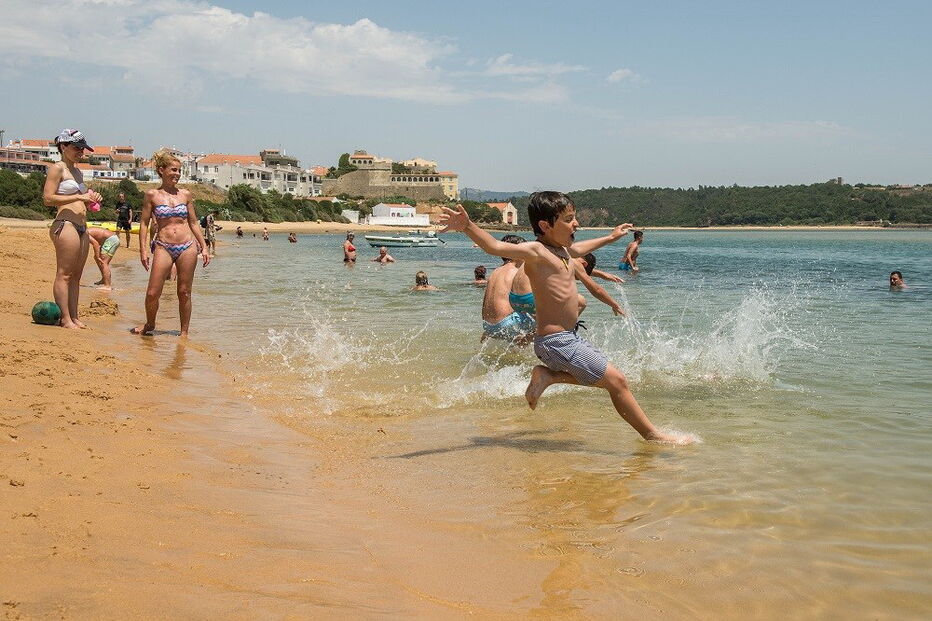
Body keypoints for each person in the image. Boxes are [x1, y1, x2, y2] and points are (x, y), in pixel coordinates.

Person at [441, 193, 691, 445]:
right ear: (545, 226)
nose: (576, 224)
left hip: (567, 338)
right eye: (569, 219)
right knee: (617, 382)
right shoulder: (537, 251)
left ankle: (548, 377)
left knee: (611, 380)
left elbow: (581, 248)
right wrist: (468, 226)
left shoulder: (561, 251)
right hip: (556, 341)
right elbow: (494, 246)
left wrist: (611, 237)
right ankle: (653, 436)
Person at [132, 149, 210, 337]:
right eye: (173, 170)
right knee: (152, 292)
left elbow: (193, 222)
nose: (177, 174)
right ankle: (150, 324)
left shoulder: (185, 195)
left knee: (184, 292)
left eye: (179, 170)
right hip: (163, 246)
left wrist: (204, 246)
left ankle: (184, 333)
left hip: (187, 246)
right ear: (161, 170)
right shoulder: (152, 195)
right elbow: (144, 223)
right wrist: (143, 250)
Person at [42, 128, 103, 329]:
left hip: (81, 226)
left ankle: (74, 316)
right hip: (65, 224)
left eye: (83, 148)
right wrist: (79, 196)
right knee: (65, 274)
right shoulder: (57, 168)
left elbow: (82, 200)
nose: (81, 152)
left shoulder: (77, 171)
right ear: (63, 146)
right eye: (77, 148)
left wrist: (91, 200)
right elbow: (48, 199)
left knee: (77, 275)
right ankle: (65, 319)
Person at [481, 234, 534, 343]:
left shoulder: (495, 272)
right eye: (524, 251)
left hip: (488, 326)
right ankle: (523, 345)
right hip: (507, 324)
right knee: (548, 320)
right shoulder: (516, 272)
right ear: (515, 253)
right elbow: (529, 301)